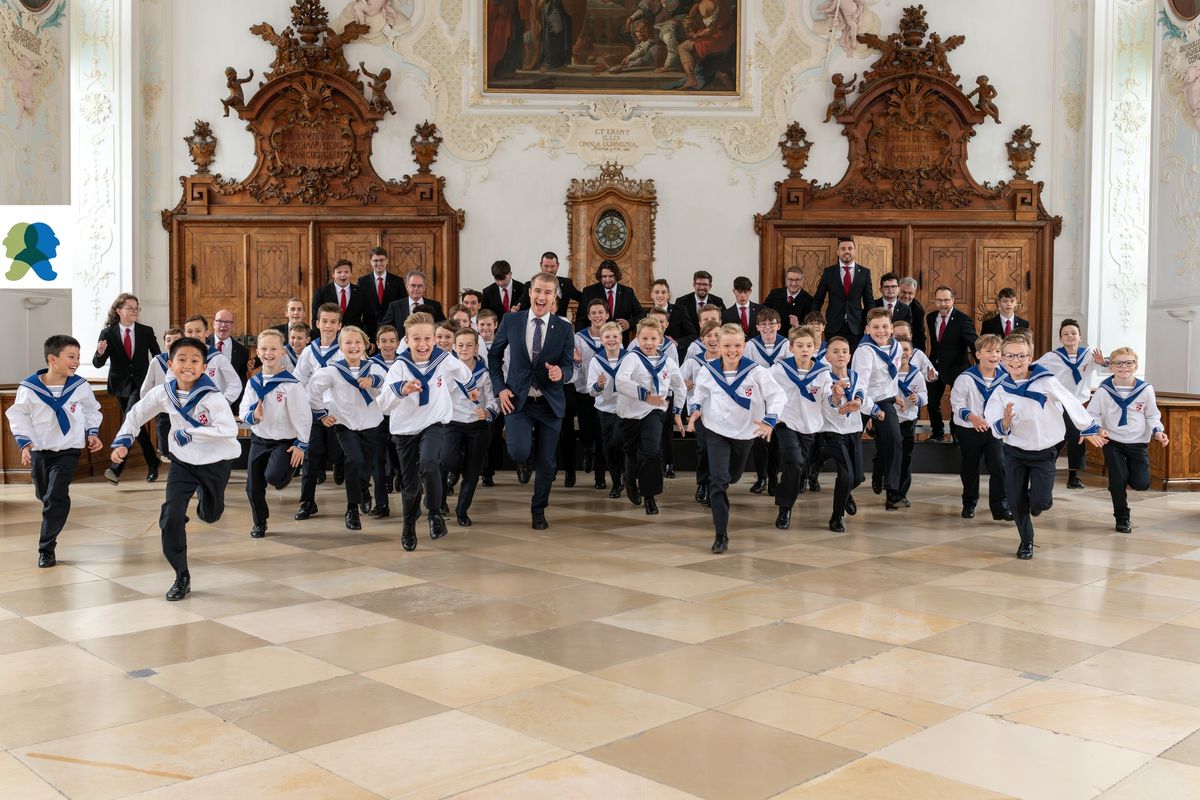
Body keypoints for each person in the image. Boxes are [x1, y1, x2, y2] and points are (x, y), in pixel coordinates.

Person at [110, 336, 239, 600]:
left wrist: (192, 432)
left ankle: (206, 500)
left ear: (204, 367)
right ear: (170, 364)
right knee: (170, 518)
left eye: (195, 361)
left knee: (211, 515)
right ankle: (181, 575)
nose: (188, 365)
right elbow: (136, 413)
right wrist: (123, 440)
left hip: (215, 462)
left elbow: (229, 429)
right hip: (182, 462)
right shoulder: (164, 392)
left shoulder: (213, 397)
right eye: (181, 360)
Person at [985, 334, 1107, 559]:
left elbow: (1070, 401)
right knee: (1015, 498)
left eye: (1021, 356)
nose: (1015, 361)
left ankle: (1038, 502)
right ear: (1002, 360)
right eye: (1010, 356)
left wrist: (1088, 427)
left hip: (1044, 452)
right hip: (1014, 452)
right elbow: (991, 417)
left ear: (1030, 357)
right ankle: (1026, 541)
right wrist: (1003, 423)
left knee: (1042, 501)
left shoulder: (1045, 380)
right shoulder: (1001, 389)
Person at [487, 271, 576, 530]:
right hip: (517, 400)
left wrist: (562, 373)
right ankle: (524, 460)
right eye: (538, 290)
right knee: (518, 450)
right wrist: (500, 389)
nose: (542, 296)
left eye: (548, 292)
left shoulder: (564, 328)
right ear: (530, 292)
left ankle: (538, 510)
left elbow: (569, 366)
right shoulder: (511, 320)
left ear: (554, 297)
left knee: (548, 462)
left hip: (550, 403)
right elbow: (494, 358)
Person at [380, 312, 476, 550]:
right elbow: (383, 404)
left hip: (434, 424)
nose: (422, 344)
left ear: (434, 339)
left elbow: (463, 372)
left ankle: (434, 513)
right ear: (407, 341)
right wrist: (403, 389)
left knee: (431, 462)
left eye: (427, 338)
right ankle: (408, 527)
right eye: (416, 339)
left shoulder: (443, 359)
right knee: (410, 485)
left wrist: (470, 387)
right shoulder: (400, 367)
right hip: (404, 431)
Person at [687, 323, 785, 554]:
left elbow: (777, 395)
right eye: (727, 345)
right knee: (718, 480)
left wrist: (770, 420)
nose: (733, 350)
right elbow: (698, 394)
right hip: (716, 430)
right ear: (718, 346)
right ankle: (721, 534)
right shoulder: (708, 370)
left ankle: (731, 477)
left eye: (738, 345)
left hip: (745, 432)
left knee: (733, 475)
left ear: (744, 346)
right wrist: (696, 410)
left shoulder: (756, 371)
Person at [7, 335, 103, 568]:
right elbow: (18, 415)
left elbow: (92, 410)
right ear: (52, 358)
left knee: (56, 495)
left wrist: (92, 433)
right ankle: (53, 510)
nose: (77, 362)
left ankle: (46, 548)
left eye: (78, 357)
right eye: (71, 356)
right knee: (44, 495)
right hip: (41, 451)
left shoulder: (79, 386)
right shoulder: (29, 388)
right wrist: (25, 444)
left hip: (68, 450)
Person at [306, 326, 387, 531]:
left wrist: (373, 381)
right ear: (340, 347)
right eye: (348, 343)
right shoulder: (333, 370)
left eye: (358, 342)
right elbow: (313, 391)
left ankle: (363, 488)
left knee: (366, 466)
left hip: (371, 424)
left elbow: (389, 385)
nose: (353, 346)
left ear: (366, 345)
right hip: (345, 424)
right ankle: (351, 508)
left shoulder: (374, 368)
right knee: (354, 460)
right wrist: (321, 415)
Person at [1088, 348, 1169, 533]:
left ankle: (1131, 479)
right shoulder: (1104, 390)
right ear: (1111, 367)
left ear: (1136, 366)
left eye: (1128, 363)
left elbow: (1152, 415)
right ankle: (1122, 518)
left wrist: (1158, 431)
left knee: (1141, 483)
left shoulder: (1145, 389)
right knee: (1117, 480)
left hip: (1137, 442)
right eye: (1118, 363)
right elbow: (1093, 413)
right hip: (1112, 441)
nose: (1124, 366)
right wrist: (1099, 429)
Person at [240, 329, 309, 539]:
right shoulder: (253, 382)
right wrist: (254, 414)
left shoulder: (291, 384)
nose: (268, 353)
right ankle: (260, 522)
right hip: (260, 440)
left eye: (273, 349)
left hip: (283, 442)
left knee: (274, 476)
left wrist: (301, 444)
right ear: (258, 352)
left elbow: (303, 416)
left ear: (282, 353)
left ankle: (284, 473)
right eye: (263, 349)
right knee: (252, 486)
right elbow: (244, 410)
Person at [615, 318, 686, 515]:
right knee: (631, 452)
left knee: (652, 450)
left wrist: (677, 412)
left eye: (653, 338)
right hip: (629, 413)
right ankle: (629, 479)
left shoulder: (668, 362)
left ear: (661, 340)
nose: (648, 342)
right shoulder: (631, 358)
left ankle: (650, 496)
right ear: (637, 338)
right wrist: (645, 395)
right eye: (644, 338)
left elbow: (679, 387)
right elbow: (620, 381)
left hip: (654, 412)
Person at [93, 293, 161, 484]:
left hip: (141, 386)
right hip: (120, 386)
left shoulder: (146, 331)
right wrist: (100, 352)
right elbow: (97, 363)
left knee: (131, 420)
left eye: (136, 308)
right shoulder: (108, 333)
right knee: (134, 423)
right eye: (130, 308)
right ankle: (153, 461)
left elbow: (158, 357)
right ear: (119, 310)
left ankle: (116, 467)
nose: (134, 311)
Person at [1035, 319, 1108, 489]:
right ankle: (1045, 466)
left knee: (1077, 439)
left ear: (1080, 337)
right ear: (1060, 339)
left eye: (1073, 333)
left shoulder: (1089, 355)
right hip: (1060, 404)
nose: (1070, 336)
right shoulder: (1051, 357)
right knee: (1060, 436)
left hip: (1080, 403)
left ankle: (1073, 475)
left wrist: (1102, 362)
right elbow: (1032, 368)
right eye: (1065, 334)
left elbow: (1107, 368)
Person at [768, 326, 828, 529]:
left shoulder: (822, 373)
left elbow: (829, 397)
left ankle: (785, 493)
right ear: (791, 348)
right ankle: (785, 509)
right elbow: (764, 389)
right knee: (794, 461)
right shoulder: (779, 370)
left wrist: (837, 395)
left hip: (809, 426)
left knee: (798, 466)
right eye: (800, 345)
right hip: (785, 423)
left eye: (809, 346)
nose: (805, 349)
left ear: (815, 348)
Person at [949, 333, 1011, 521]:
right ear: (978, 354)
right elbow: (957, 403)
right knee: (970, 467)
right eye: (989, 351)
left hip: (994, 430)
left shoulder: (1006, 378)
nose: (994, 355)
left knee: (999, 466)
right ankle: (969, 503)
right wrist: (973, 418)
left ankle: (1000, 507)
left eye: (998, 351)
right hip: (970, 429)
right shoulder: (966, 378)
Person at [294, 303, 344, 520]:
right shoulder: (308, 351)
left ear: (340, 325)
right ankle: (307, 502)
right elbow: (298, 380)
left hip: (337, 413)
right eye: (324, 321)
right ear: (317, 324)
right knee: (310, 458)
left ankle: (340, 466)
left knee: (337, 453)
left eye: (333, 322)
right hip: (314, 412)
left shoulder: (344, 350)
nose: (328, 326)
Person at [445, 327, 498, 527]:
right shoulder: (447, 371)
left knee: (473, 470)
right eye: (460, 345)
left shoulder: (484, 373)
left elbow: (493, 399)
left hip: (477, 426)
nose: (464, 349)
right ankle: (451, 475)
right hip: (452, 424)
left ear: (477, 348)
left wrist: (488, 412)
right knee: (448, 460)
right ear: (454, 347)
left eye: (469, 345)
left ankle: (462, 510)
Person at [854, 307, 904, 510]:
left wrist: (896, 395)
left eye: (885, 326)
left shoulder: (897, 347)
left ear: (892, 328)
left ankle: (892, 490)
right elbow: (861, 385)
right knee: (849, 441)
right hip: (862, 400)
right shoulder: (864, 352)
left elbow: (892, 377)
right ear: (867, 329)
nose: (881, 331)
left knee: (893, 440)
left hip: (884, 399)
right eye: (876, 327)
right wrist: (871, 411)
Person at [818, 336, 867, 532]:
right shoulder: (823, 378)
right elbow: (827, 401)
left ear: (850, 356)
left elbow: (862, 394)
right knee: (846, 475)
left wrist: (859, 403)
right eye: (836, 351)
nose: (841, 355)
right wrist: (836, 398)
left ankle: (846, 494)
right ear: (827, 357)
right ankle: (836, 517)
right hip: (832, 432)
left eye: (844, 351)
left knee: (857, 477)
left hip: (853, 430)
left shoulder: (855, 376)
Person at [925, 285, 977, 442]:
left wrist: (982, 367)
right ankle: (938, 434)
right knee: (932, 402)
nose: (943, 304)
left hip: (958, 369)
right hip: (936, 368)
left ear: (953, 300)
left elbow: (974, 344)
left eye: (946, 300)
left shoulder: (963, 319)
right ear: (935, 301)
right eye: (939, 300)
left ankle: (956, 435)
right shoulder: (931, 317)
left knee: (957, 404)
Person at [746, 308, 787, 494]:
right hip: (758, 400)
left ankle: (773, 478)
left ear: (779, 325)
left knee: (776, 442)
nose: (768, 327)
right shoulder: (750, 346)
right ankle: (761, 477)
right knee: (760, 442)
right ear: (757, 327)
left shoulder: (787, 345)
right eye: (763, 324)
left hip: (778, 400)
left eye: (772, 323)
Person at [681, 320, 722, 504]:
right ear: (702, 338)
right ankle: (703, 483)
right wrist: (685, 382)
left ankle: (717, 485)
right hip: (701, 413)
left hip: (723, 413)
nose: (713, 339)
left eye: (717, 335)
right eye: (709, 335)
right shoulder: (694, 361)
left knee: (718, 450)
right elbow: (678, 379)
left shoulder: (729, 359)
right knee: (704, 448)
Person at [586, 321, 627, 498]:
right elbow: (591, 390)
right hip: (605, 410)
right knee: (608, 447)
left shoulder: (630, 358)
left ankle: (626, 475)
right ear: (601, 340)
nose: (611, 340)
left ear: (621, 338)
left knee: (620, 442)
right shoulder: (597, 360)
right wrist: (598, 384)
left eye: (615, 336)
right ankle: (616, 482)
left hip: (625, 410)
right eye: (607, 337)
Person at [811, 236, 874, 349]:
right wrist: (812, 322)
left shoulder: (864, 273)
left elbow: (869, 301)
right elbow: (818, 299)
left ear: (854, 251)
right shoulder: (828, 272)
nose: (846, 251)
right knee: (833, 359)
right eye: (843, 249)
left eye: (850, 248)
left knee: (853, 360)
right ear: (838, 252)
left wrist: (870, 324)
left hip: (856, 327)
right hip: (833, 326)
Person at [575, 298, 612, 488]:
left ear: (607, 315)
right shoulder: (579, 338)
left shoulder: (613, 337)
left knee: (602, 436)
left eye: (601, 312)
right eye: (594, 313)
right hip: (584, 393)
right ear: (589, 316)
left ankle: (600, 476)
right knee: (587, 433)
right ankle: (587, 450)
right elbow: (574, 368)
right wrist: (578, 362)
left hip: (605, 396)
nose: (598, 316)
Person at [141, 326, 182, 461]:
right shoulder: (157, 361)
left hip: (183, 410)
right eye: (168, 340)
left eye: (176, 339)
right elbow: (147, 386)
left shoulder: (189, 361)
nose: (172, 342)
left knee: (183, 446)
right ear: (165, 343)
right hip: (163, 411)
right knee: (165, 447)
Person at [182, 316, 243, 406]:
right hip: (186, 408)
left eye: (198, 331)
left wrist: (223, 403)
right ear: (184, 334)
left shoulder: (217, 357)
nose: (194, 335)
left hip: (211, 410)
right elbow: (171, 381)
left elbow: (235, 383)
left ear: (207, 333)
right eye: (189, 331)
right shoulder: (179, 358)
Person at [894, 339, 927, 505]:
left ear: (912, 352)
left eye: (906, 349)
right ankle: (884, 480)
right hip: (890, 420)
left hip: (908, 420)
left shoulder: (917, 375)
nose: (903, 353)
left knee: (906, 457)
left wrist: (918, 398)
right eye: (899, 349)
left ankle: (899, 494)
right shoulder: (888, 373)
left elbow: (924, 395)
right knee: (890, 455)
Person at [575, 260, 644, 334]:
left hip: (620, 341)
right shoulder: (588, 292)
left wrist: (629, 323)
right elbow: (580, 320)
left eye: (611, 276)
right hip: (594, 340)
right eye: (604, 276)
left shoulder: (628, 292)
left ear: (616, 276)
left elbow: (642, 314)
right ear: (600, 277)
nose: (607, 280)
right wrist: (580, 339)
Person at [668, 269, 725, 351]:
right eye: (699, 284)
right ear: (694, 285)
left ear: (710, 286)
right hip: (687, 347)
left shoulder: (718, 301)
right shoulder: (681, 302)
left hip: (714, 345)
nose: (702, 287)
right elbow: (679, 329)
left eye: (705, 284)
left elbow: (722, 326)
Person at [356, 247, 406, 340]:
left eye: (382, 260)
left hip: (393, 331)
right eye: (375, 260)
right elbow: (359, 308)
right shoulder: (362, 282)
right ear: (371, 262)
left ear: (387, 261)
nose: (379, 263)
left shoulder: (398, 281)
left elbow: (403, 306)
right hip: (369, 333)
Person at [313, 259, 372, 331]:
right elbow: (315, 318)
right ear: (333, 274)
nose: (343, 275)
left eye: (346, 272)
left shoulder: (361, 293)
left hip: (353, 336)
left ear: (351, 273)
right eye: (339, 272)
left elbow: (368, 319)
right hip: (329, 336)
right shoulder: (321, 292)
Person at [379, 269, 446, 328]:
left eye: (420, 286)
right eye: (413, 285)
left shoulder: (435, 306)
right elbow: (384, 328)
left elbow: (443, 327)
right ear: (407, 287)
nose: (416, 289)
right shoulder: (395, 307)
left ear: (424, 287)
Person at [209, 309, 249, 401]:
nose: (223, 325)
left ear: (233, 326)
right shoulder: (203, 346)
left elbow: (241, 381)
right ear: (214, 324)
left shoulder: (242, 351)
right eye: (220, 321)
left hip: (231, 402)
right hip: (205, 400)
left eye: (228, 322)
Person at [763, 265, 813, 336]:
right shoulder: (774, 293)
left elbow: (809, 324)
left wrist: (798, 324)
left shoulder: (808, 299)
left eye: (797, 280)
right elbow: (764, 311)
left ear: (802, 280)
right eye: (790, 279)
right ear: (786, 280)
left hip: (796, 337)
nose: (793, 283)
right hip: (774, 336)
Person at [898, 277, 926, 352]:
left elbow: (920, 336)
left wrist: (917, 354)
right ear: (898, 290)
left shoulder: (918, 310)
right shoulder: (891, 303)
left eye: (910, 293)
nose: (906, 296)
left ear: (914, 294)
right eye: (903, 292)